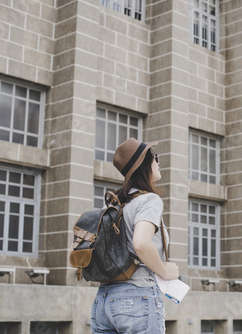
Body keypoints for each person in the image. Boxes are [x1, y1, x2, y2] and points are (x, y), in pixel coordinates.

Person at [90, 138, 179, 334]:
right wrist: (165, 270)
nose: (158, 162)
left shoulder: (115, 204)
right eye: (155, 157)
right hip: (136, 297)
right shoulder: (150, 200)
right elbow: (141, 243)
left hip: (104, 299)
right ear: (145, 165)